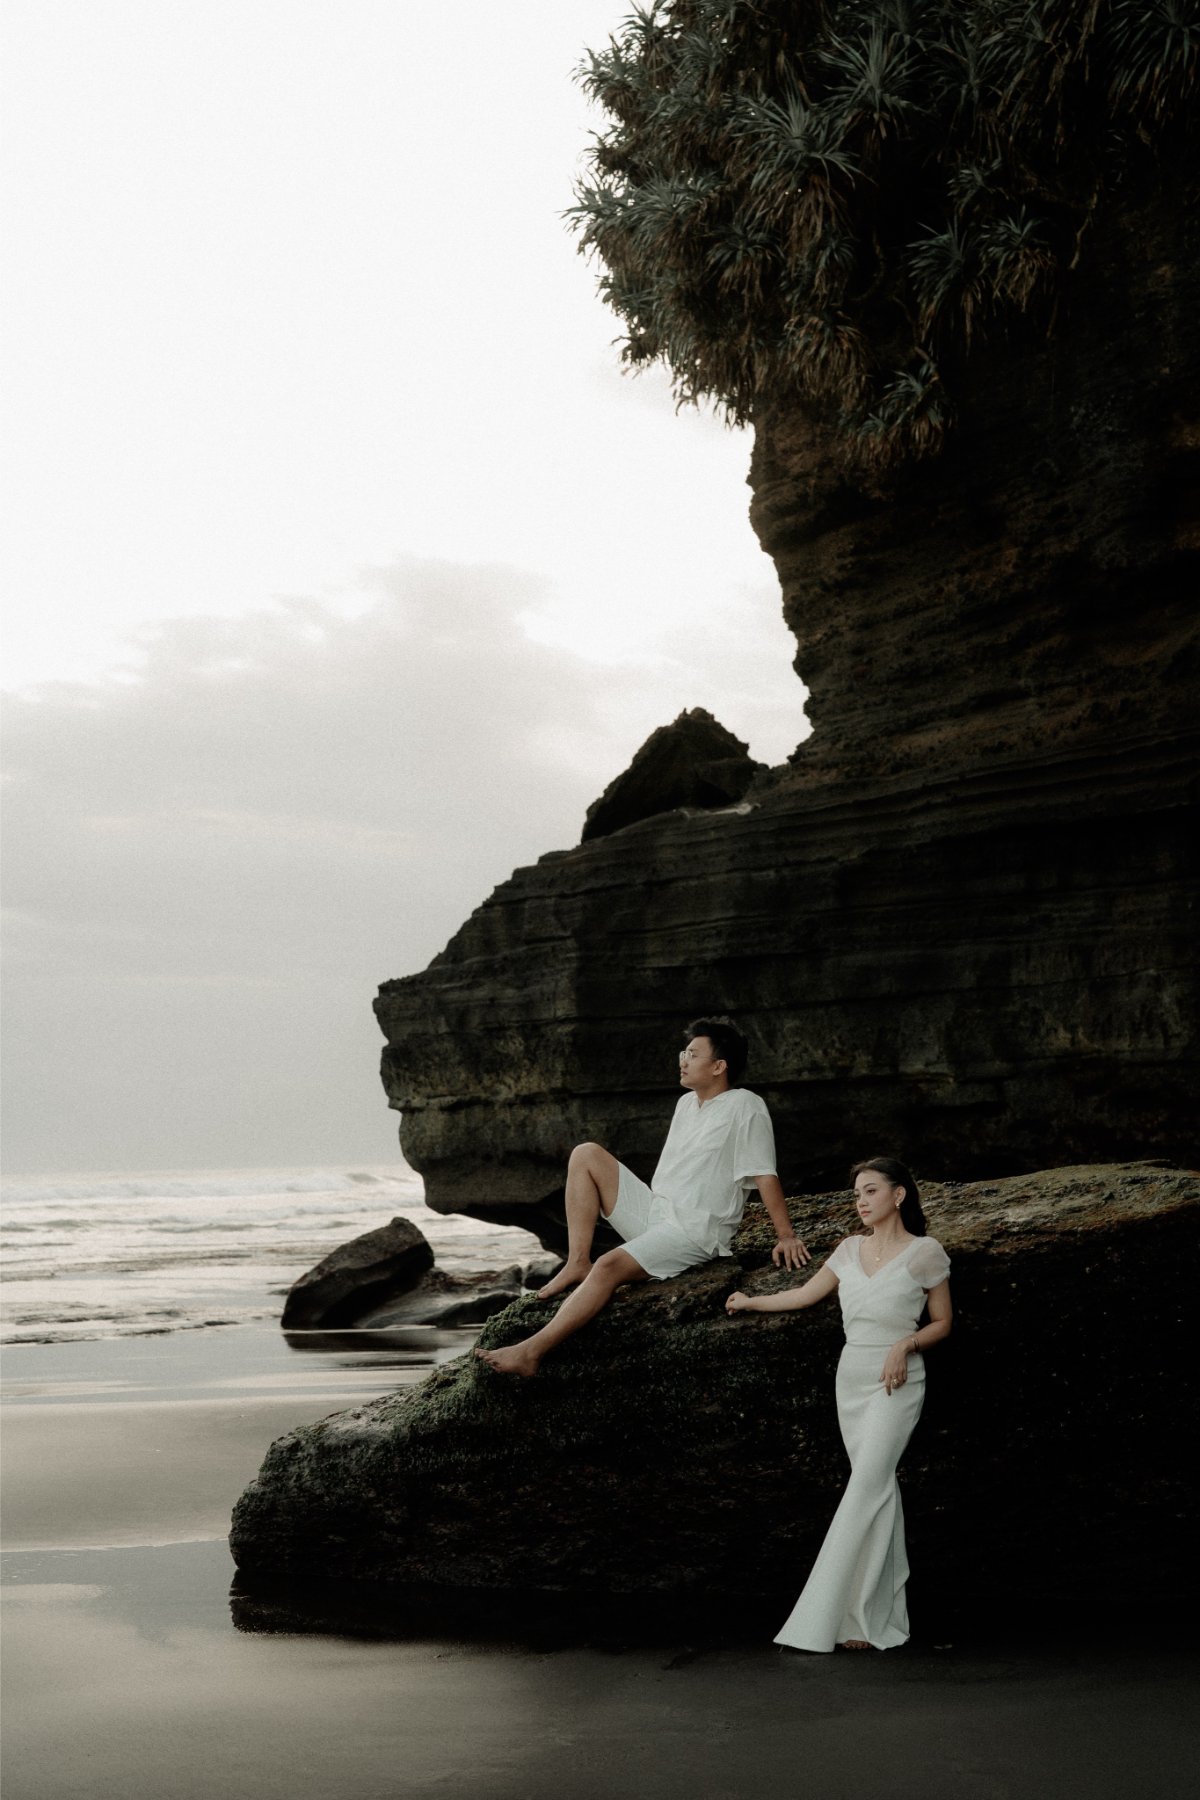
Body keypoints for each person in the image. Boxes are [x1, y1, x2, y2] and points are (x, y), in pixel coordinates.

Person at [475, 1016, 809, 1377]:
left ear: (719, 1066)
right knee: (585, 1154)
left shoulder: (745, 1105)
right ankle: (577, 1261)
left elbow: (763, 1173)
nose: (683, 1060)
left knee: (609, 1266)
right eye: (683, 1053)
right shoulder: (686, 1104)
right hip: (656, 1214)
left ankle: (530, 1352)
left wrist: (786, 1235)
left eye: (693, 1054)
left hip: (694, 1232)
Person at [726, 1155, 952, 1652]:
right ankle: (870, 1616)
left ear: (898, 1194)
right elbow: (805, 1295)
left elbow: (942, 1323)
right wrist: (749, 1301)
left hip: (896, 1380)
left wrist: (906, 1344)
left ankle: (824, 1617)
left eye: (871, 1191)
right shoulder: (849, 1248)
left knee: (866, 1485)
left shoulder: (925, 1252)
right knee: (878, 1490)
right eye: (857, 1195)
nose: (862, 1202)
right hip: (851, 1379)